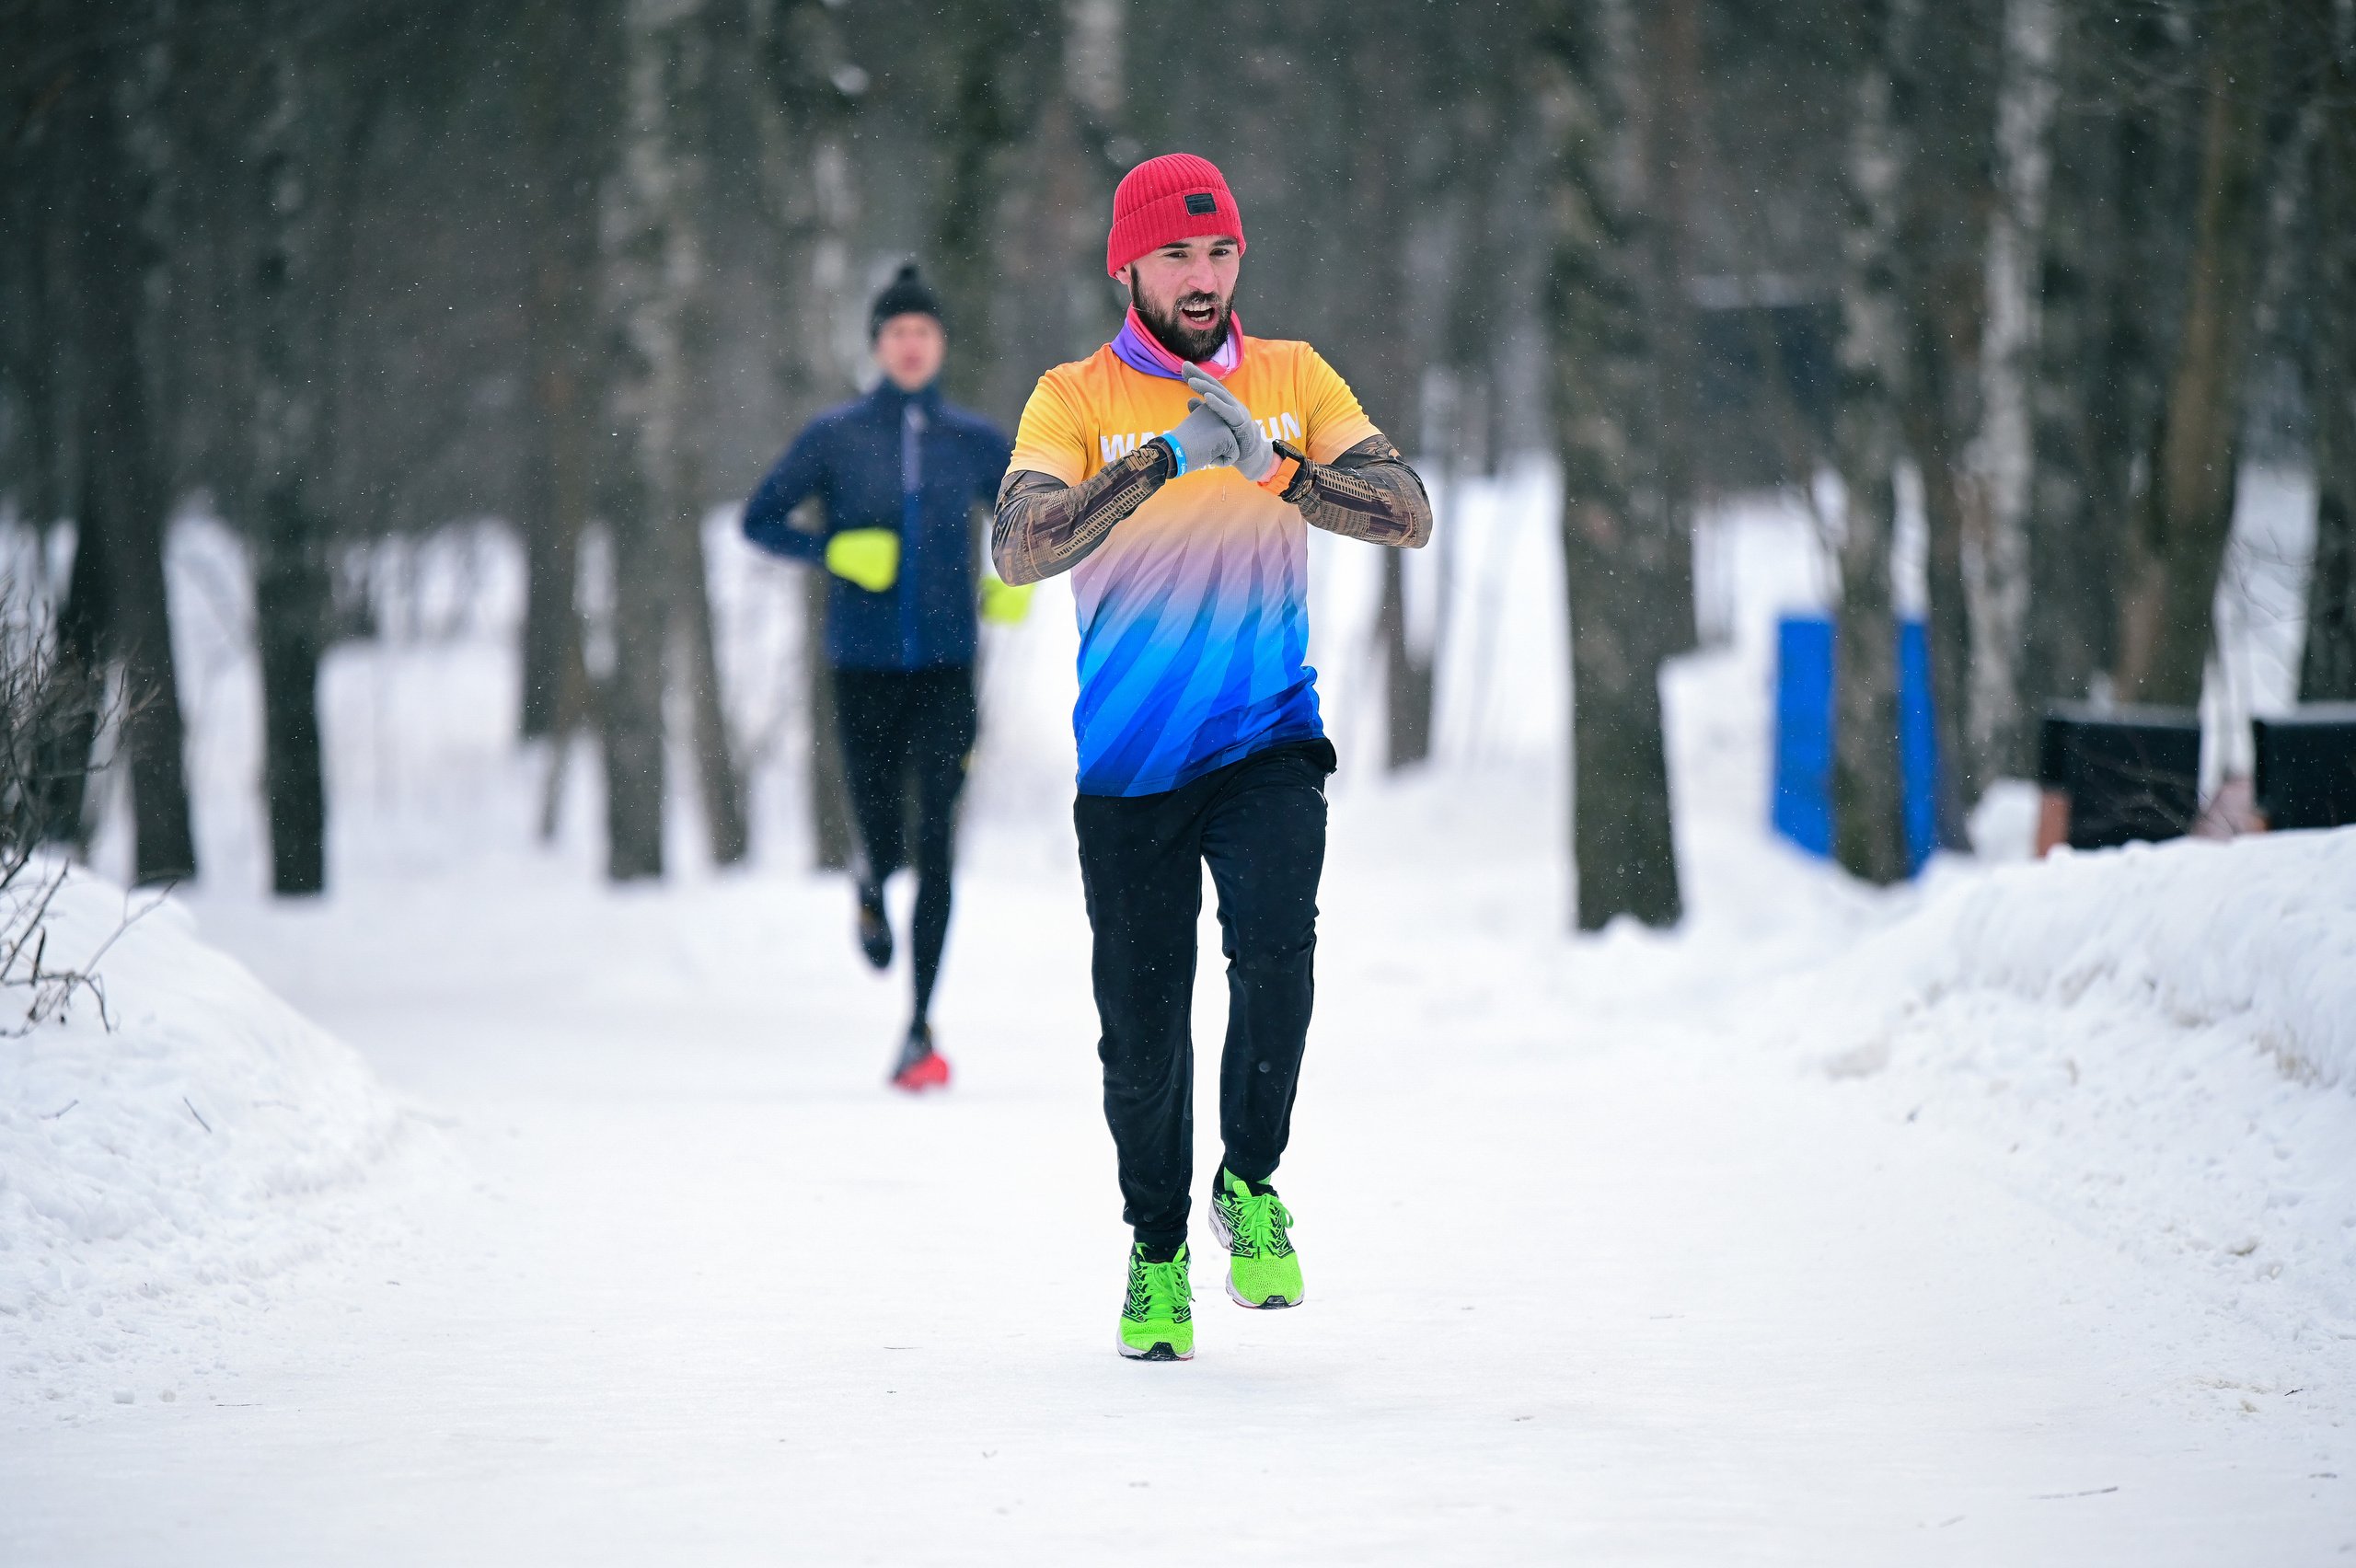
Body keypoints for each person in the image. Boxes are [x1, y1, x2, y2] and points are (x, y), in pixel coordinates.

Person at [993, 155, 1433, 1360]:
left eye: (1220, 252)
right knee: (1140, 1034)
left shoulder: (1291, 378)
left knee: (1276, 957)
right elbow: (1018, 549)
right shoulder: (1072, 399)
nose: (1202, 277)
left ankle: (1249, 1183)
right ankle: (1158, 1252)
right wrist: (1156, 462)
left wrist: (1279, 470)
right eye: (1178, 255)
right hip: (1131, 770)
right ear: (1126, 264)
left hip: (1267, 741)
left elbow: (1408, 507)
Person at [743, 263, 1026, 1092]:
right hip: (861, 669)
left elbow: (1031, 517)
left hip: (947, 670)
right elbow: (758, 518)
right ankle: (868, 876)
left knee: (938, 842)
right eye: (897, 332)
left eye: (924, 333)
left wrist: (1013, 576)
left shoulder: (972, 440)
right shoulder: (834, 437)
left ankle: (919, 1027)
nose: (911, 345)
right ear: (876, 346)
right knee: (885, 834)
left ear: (941, 346)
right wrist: (829, 550)